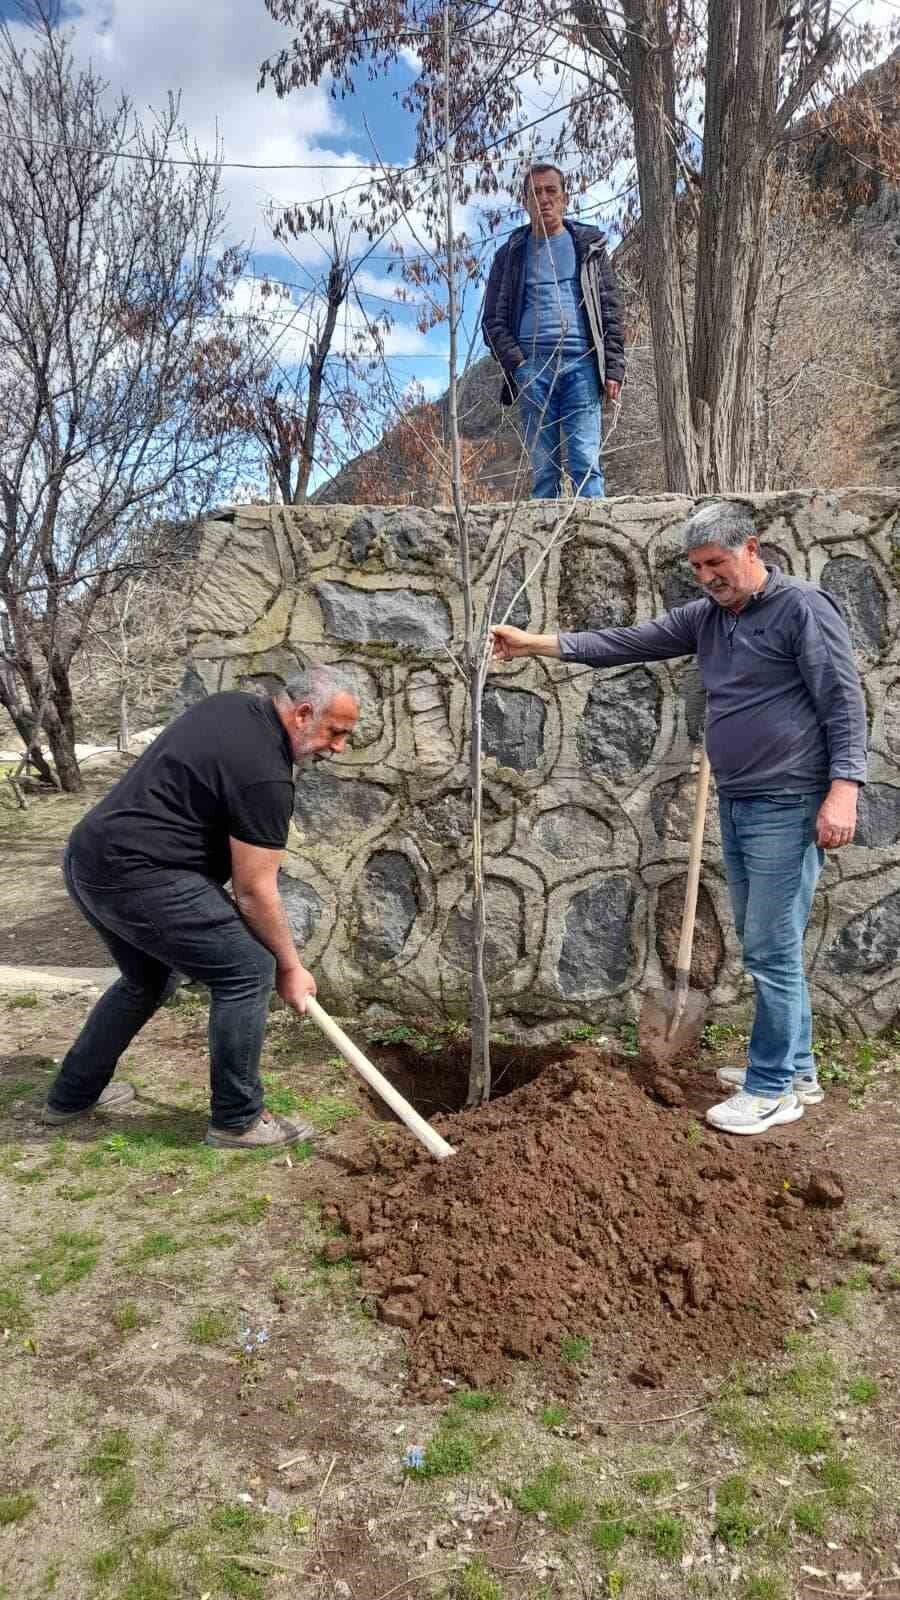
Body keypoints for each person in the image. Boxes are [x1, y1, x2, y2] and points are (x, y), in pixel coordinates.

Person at [491, 501, 867, 1137]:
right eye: (697, 567)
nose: (707, 577)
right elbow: (627, 642)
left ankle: (771, 1089)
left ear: (752, 548)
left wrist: (845, 791)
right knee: (767, 942)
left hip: (789, 799)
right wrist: (536, 644)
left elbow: (843, 699)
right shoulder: (708, 618)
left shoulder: (801, 607)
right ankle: (798, 1070)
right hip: (741, 799)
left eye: (716, 563)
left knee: (770, 948)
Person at [42, 667, 359, 1149]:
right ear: (302, 713)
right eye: (335, 732)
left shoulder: (231, 705)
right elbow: (254, 891)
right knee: (248, 969)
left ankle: (72, 1095)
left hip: (89, 855)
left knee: (147, 979)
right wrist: (290, 967)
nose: (338, 747)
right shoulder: (266, 777)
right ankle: (237, 1119)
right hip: (139, 874)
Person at [482, 161, 625, 500]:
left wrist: (614, 368)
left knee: (585, 462)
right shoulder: (510, 255)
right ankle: (544, 535)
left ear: (565, 199)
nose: (543, 199)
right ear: (525, 202)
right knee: (543, 469)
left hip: (583, 366)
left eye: (551, 191)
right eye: (535, 193)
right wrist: (519, 365)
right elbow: (492, 321)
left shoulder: (589, 248)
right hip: (533, 368)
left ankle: (593, 532)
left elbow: (610, 310)